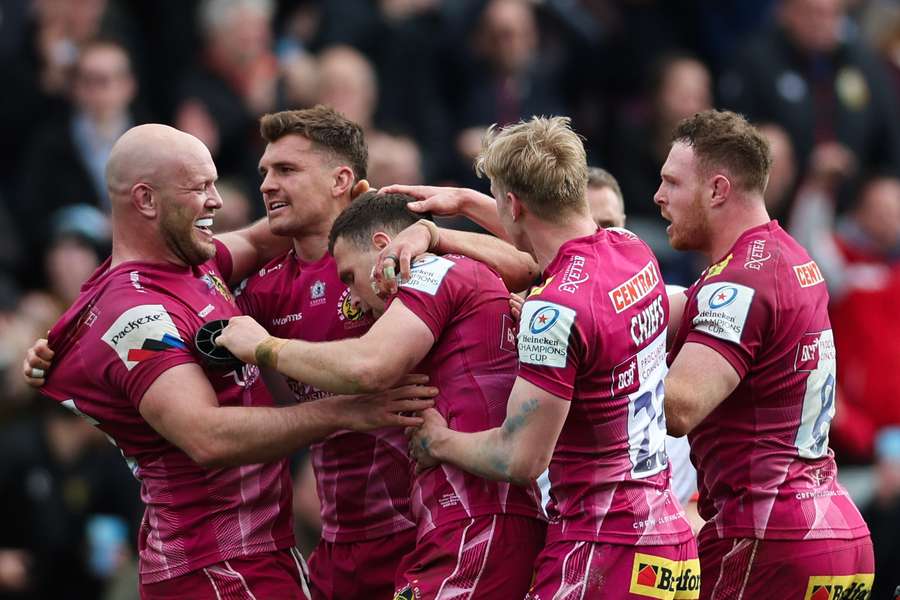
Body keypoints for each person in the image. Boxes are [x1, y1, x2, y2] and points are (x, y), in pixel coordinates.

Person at [31, 123, 437, 599]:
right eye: (198, 187)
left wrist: (406, 218)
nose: (216, 200)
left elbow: (274, 231)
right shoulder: (135, 316)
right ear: (145, 201)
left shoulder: (197, 263)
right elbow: (205, 436)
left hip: (257, 554)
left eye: (214, 183)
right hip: (213, 565)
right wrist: (348, 411)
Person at [229, 105, 538, 600]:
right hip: (336, 540)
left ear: (341, 180)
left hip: (427, 525)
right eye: (264, 171)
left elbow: (525, 264)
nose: (266, 183)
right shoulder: (267, 289)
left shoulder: (401, 254)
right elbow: (198, 302)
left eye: (286, 170)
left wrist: (436, 231)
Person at [386, 117, 699, 598]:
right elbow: (547, 238)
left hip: (602, 548)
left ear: (512, 204)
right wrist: (467, 204)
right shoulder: (633, 250)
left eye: (497, 198)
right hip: (668, 545)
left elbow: (522, 458)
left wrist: (439, 441)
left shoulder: (554, 313)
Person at [654, 109, 874, 598]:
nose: (659, 197)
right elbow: (687, 309)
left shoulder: (738, 282)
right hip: (834, 528)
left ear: (717, 190)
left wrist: (597, 368)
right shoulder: (788, 257)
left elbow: (681, 406)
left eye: (671, 182)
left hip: (768, 537)